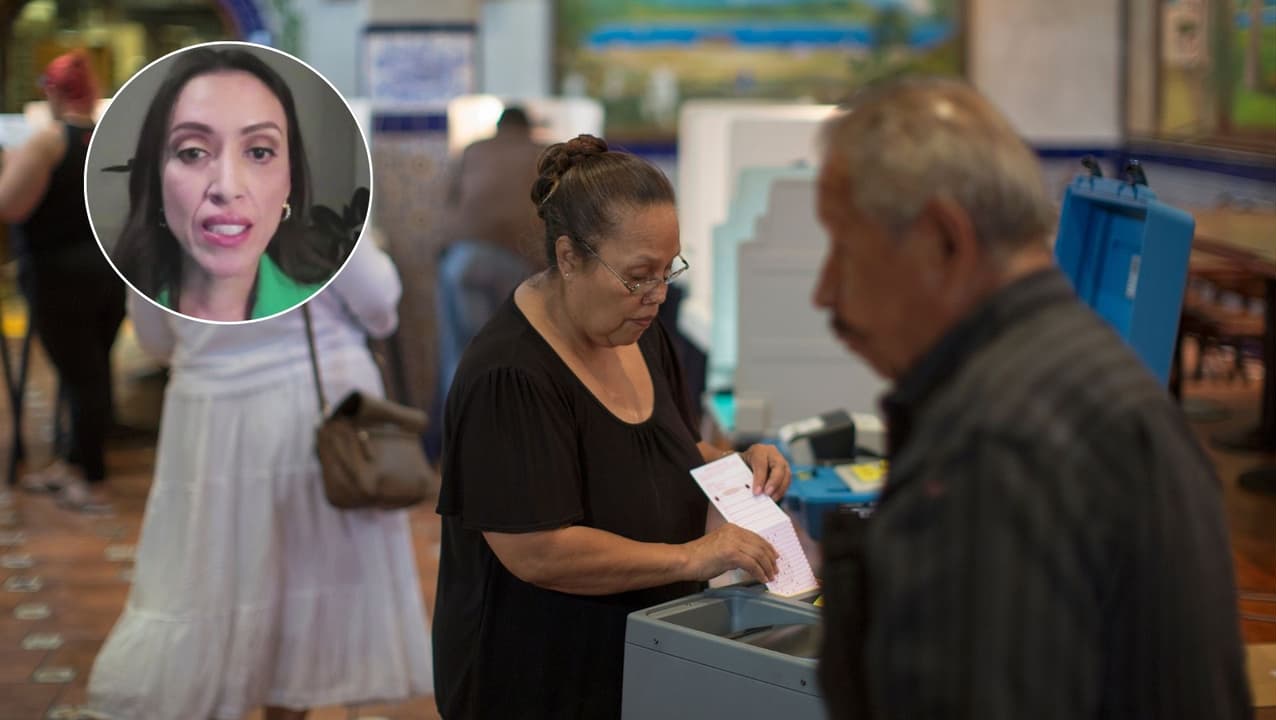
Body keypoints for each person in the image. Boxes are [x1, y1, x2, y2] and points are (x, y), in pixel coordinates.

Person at [811, 77, 1250, 719]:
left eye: (844, 249)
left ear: (945, 240)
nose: (824, 291)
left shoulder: (994, 447)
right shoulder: (1088, 377)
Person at [433, 134, 793, 719]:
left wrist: (736, 466)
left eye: (668, 271)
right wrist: (691, 557)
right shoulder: (510, 376)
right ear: (569, 257)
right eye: (637, 276)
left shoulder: (639, 331)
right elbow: (539, 551)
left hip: (642, 658)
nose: (656, 296)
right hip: (540, 677)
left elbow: (666, 448)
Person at [86, 236, 433, 718]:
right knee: (307, 575)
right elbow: (378, 303)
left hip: (208, 415)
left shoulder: (159, 226)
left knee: (213, 574)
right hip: (312, 404)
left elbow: (155, 340)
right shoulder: (319, 216)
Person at [111, 46, 348, 322]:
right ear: (157, 178)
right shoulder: (130, 299)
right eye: (193, 152)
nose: (227, 188)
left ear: (290, 180)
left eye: (259, 152)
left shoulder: (327, 297)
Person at [0, 50, 125, 512]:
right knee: (93, 372)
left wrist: (12, 162)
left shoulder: (48, 142)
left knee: (81, 377)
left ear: (53, 92)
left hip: (59, 276)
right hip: (111, 274)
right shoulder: (111, 141)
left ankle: (92, 480)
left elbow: (10, 205)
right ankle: (74, 464)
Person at [428, 106, 545, 458]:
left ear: (498, 127)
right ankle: (511, 447)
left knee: (461, 355)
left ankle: (459, 449)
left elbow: (449, 204)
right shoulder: (543, 153)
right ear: (528, 128)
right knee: (515, 354)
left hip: (463, 259)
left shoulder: (473, 150)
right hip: (518, 263)